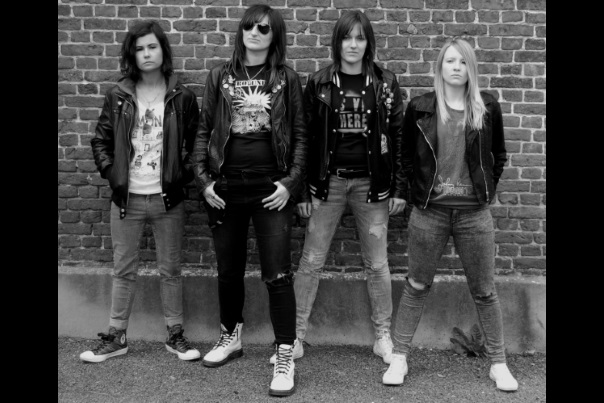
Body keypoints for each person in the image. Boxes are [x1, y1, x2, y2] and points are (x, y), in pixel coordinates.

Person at [382, 38, 518, 392]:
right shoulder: (420, 108)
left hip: (474, 215)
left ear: (471, 68)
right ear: (440, 67)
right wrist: (411, 193)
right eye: (450, 61)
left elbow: (498, 155)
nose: (456, 67)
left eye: (463, 62)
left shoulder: (487, 106)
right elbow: (406, 158)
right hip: (431, 212)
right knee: (416, 285)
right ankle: (399, 357)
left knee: (484, 291)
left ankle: (499, 364)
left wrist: (486, 188)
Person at [191, 4, 307, 397]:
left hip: (270, 189)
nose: (254, 32)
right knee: (228, 270)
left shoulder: (286, 79)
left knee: (278, 274)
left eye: (263, 28)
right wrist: (204, 181)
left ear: (275, 36)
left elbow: (301, 136)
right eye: (249, 26)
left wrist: (290, 184)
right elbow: (204, 131)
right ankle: (231, 336)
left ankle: (285, 353)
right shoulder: (219, 76)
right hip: (225, 188)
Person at [281, 10, 406, 366]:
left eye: (360, 38)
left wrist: (399, 188)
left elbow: (398, 137)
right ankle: (294, 338)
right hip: (328, 184)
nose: (353, 44)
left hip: (372, 186)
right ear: (337, 42)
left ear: (369, 43)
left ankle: (383, 337)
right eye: (347, 37)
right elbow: (304, 138)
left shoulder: (385, 83)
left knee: (377, 264)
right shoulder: (319, 82)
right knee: (311, 261)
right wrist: (302, 192)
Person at [82, 20, 200, 363]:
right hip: (127, 199)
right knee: (123, 270)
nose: (146, 53)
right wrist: (113, 175)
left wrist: (181, 176)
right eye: (139, 48)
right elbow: (100, 141)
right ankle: (116, 337)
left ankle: (175, 335)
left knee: (170, 270)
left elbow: (197, 146)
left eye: (152, 46)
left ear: (162, 50)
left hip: (167, 199)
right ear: (131, 55)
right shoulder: (118, 95)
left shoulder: (182, 97)